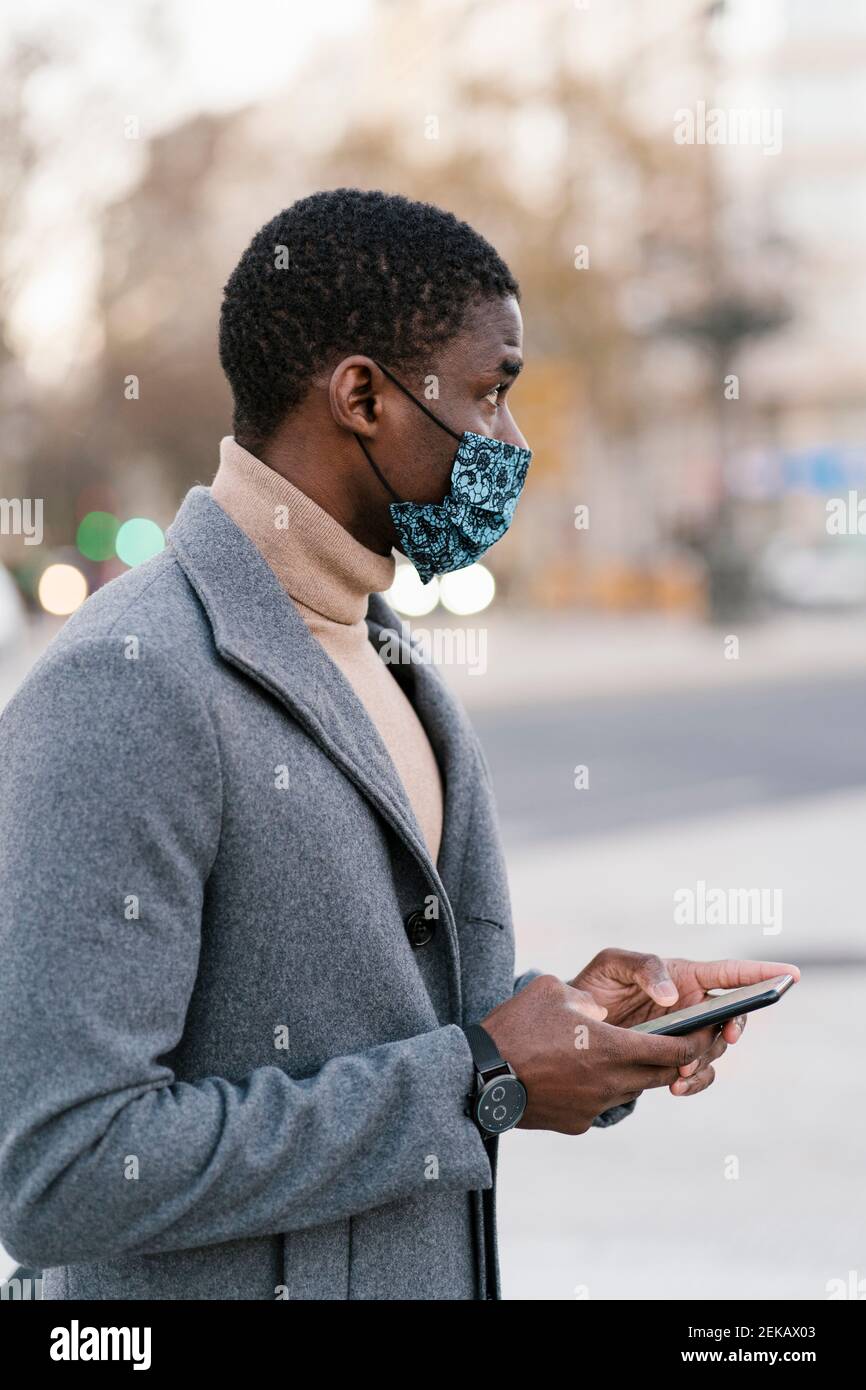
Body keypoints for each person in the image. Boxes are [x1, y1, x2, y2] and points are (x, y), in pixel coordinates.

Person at [0, 189, 799, 1300]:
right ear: (364, 396)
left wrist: (570, 1027)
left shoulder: (388, 656)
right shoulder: (123, 684)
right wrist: (480, 1075)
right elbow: (65, 1169)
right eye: (490, 393)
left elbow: (380, 1023)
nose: (511, 442)